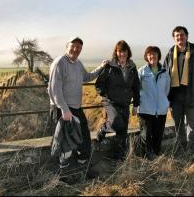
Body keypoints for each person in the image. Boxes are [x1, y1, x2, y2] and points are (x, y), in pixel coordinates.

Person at [48, 36, 108, 172]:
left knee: (84, 136)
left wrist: (101, 67)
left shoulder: (78, 63)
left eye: (79, 47)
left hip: (75, 107)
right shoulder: (59, 63)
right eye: (73, 46)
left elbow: (86, 77)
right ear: (66, 47)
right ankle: (64, 170)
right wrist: (64, 109)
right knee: (65, 142)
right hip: (62, 108)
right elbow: (54, 89)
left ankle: (82, 164)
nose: (76, 49)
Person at [163, 26, 194, 160]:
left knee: (193, 125)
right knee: (178, 126)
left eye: (182, 35)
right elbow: (165, 73)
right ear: (174, 38)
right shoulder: (171, 53)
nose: (179, 38)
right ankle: (182, 150)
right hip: (175, 97)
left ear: (187, 36)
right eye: (177, 36)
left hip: (192, 95)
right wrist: (163, 95)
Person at [95, 40, 140, 160]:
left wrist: (135, 104)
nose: (122, 54)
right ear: (116, 52)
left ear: (127, 52)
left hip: (125, 103)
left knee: (122, 133)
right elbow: (99, 83)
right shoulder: (109, 66)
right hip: (111, 102)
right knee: (115, 122)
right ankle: (104, 128)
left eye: (124, 51)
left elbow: (136, 86)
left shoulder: (132, 67)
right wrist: (105, 95)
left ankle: (119, 159)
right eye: (120, 51)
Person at [137, 46, 171, 161]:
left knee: (158, 135)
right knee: (145, 135)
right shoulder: (142, 71)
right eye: (150, 54)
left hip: (160, 109)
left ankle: (156, 156)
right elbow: (136, 89)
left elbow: (167, 89)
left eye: (155, 54)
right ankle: (146, 159)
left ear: (158, 56)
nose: (152, 56)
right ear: (146, 56)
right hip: (145, 109)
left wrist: (163, 101)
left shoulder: (165, 72)